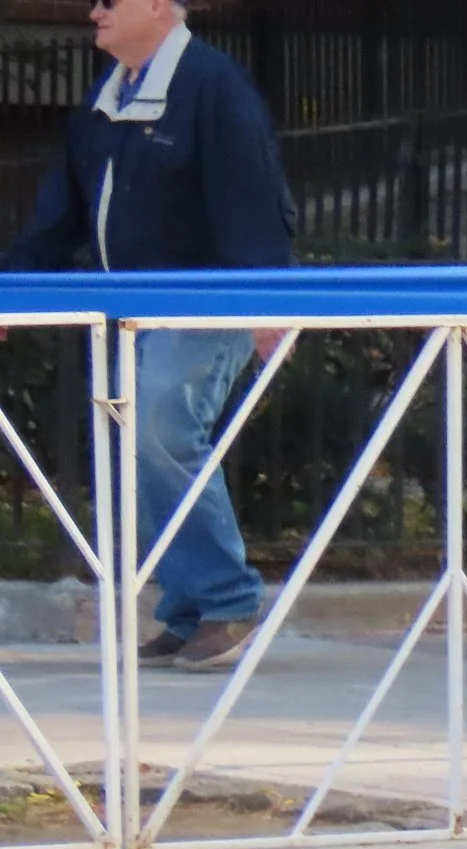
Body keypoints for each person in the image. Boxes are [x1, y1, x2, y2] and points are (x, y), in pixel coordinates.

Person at [3, 0, 292, 673]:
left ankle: (226, 600)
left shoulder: (213, 87)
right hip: (129, 310)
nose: (93, 11)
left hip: (206, 302)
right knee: (137, 445)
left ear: (158, 5)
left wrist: (268, 301)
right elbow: (62, 214)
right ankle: (191, 611)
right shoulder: (105, 100)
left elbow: (254, 192)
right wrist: (13, 289)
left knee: (159, 425)